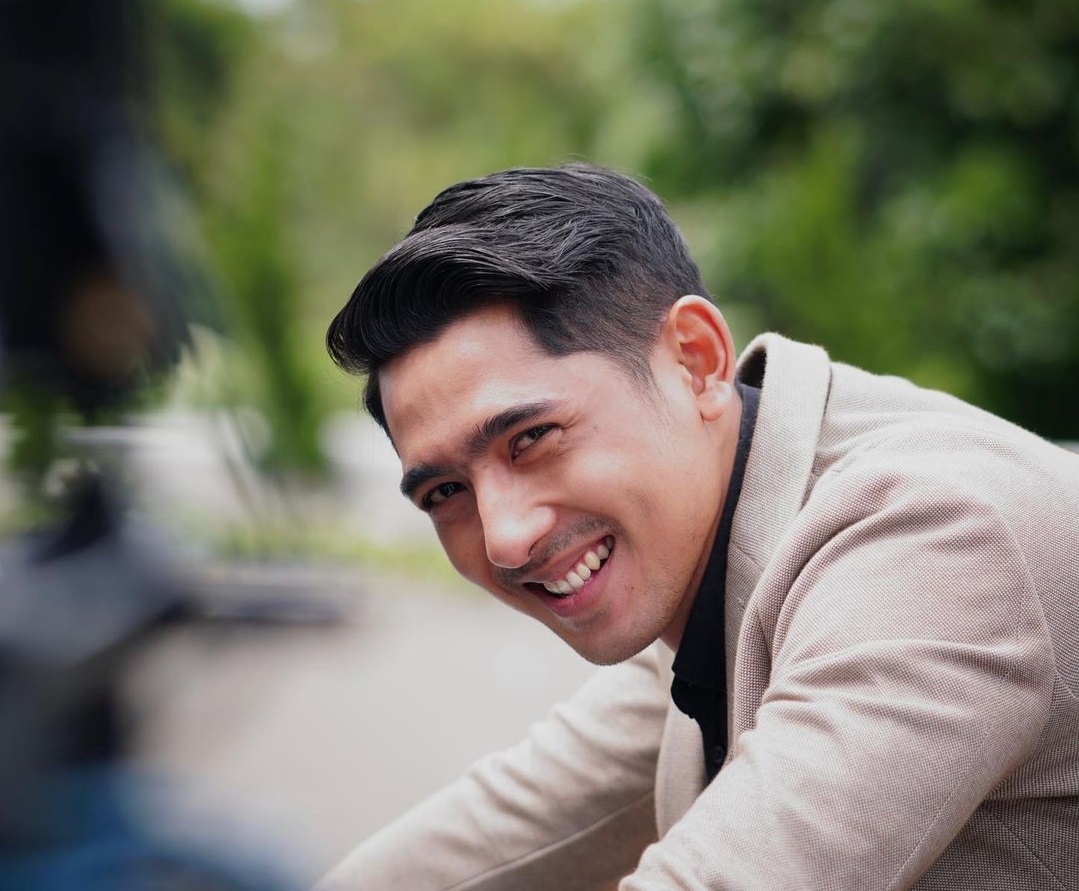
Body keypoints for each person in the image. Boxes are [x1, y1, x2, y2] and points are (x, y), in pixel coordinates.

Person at [317, 163, 1079, 890]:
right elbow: (488, 840)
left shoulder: (931, 540)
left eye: (531, 438)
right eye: (446, 490)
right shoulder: (713, 569)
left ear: (695, 359)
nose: (504, 537)